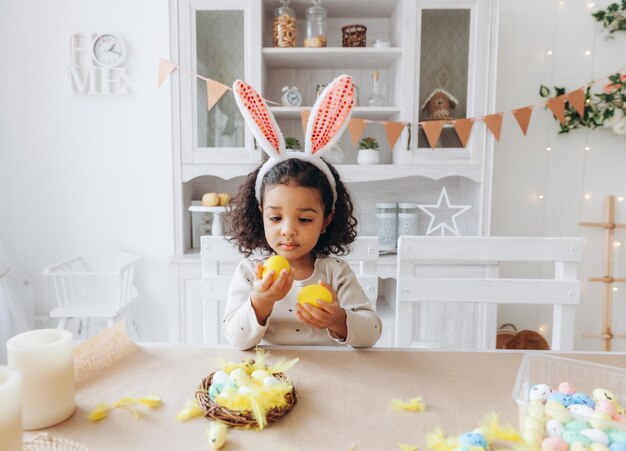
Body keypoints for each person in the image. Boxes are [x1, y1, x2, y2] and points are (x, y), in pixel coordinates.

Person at [223, 75, 382, 350]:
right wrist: (261, 300)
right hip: (270, 378)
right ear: (260, 215)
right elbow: (236, 340)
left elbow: (372, 332)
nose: (288, 229)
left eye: (305, 219)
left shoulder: (334, 272)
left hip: (331, 375)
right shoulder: (251, 273)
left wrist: (338, 319)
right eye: (275, 217)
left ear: (326, 221)